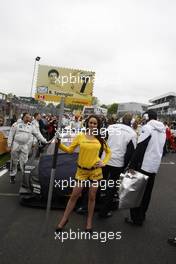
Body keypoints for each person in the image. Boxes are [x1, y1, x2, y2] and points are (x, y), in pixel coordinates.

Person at [55, 115, 111, 232]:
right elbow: (70, 150)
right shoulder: (80, 136)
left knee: (92, 197)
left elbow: (109, 152)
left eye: (95, 123)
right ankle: (64, 219)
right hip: (82, 171)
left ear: (98, 125)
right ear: (87, 123)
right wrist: (59, 144)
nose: (92, 125)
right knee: (74, 196)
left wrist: (104, 162)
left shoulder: (100, 138)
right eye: (91, 122)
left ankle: (89, 221)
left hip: (95, 172)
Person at [125, 110, 166, 226]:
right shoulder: (162, 129)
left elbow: (140, 147)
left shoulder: (147, 128)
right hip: (153, 166)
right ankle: (141, 216)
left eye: (144, 117)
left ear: (147, 117)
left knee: (137, 193)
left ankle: (135, 218)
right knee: (147, 193)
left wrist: (132, 165)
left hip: (143, 165)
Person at [99, 113, 137, 217]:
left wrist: (99, 156)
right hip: (118, 163)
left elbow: (101, 142)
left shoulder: (110, 127)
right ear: (130, 121)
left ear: (121, 119)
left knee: (99, 182)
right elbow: (130, 152)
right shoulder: (132, 133)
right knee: (111, 187)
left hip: (104, 160)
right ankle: (104, 211)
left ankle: (93, 205)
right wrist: (124, 166)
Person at [7, 113, 48, 184]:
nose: (28, 119)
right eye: (27, 117)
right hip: (16, 145)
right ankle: (12, 177)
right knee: (14, 162)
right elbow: (11, 135)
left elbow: (38, 134)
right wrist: (9, 145)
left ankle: (24, 177)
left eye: (29, 117)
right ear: (23, 117)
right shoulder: (16, 124)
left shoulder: (31, 126)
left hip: (25, 146)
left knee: (24, 163)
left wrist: (45, 141)